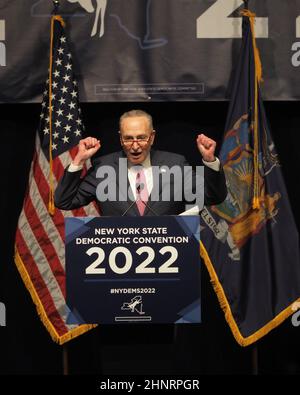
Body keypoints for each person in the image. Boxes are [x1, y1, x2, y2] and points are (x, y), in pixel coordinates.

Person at [55, 109, 227, 213]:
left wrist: (210, 160)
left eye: (141, 138)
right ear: (121, 139)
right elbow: (65, 201)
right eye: (129, 139)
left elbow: (213, 197)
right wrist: (78, 160)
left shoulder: (175, 163)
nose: (135, 146)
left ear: (152, 137)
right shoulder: (104, 167)